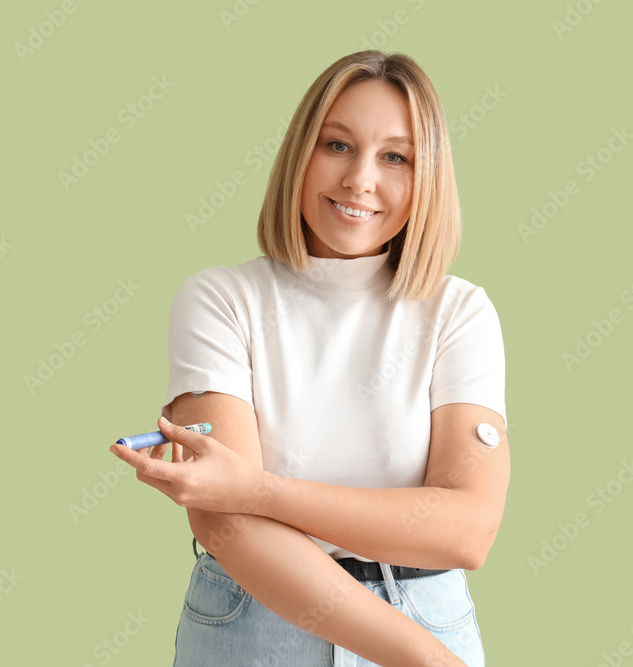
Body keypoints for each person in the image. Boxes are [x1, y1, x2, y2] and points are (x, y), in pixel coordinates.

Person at [109, 50, 509, 666]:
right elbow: (225, 524)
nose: (359, 180)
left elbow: (469, 529)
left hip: (427, 610)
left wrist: (256, 490)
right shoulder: (220, 300)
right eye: (337, 145)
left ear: (427, 176)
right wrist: (426, 659)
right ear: (301, 153)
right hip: (257, 626)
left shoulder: (459, 311)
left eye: (395, 157)